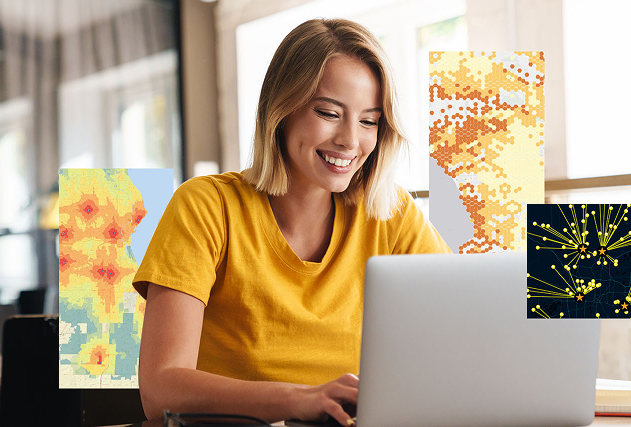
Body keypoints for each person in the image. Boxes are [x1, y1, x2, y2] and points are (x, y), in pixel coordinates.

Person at [133, 18, 451, 426]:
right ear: (281, 110)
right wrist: (298, 399)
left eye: (369, 121)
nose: (350, 140)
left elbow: (461, 328)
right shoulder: (206, 206)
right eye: (329, 113)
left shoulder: (390, 214)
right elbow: (160, 389)